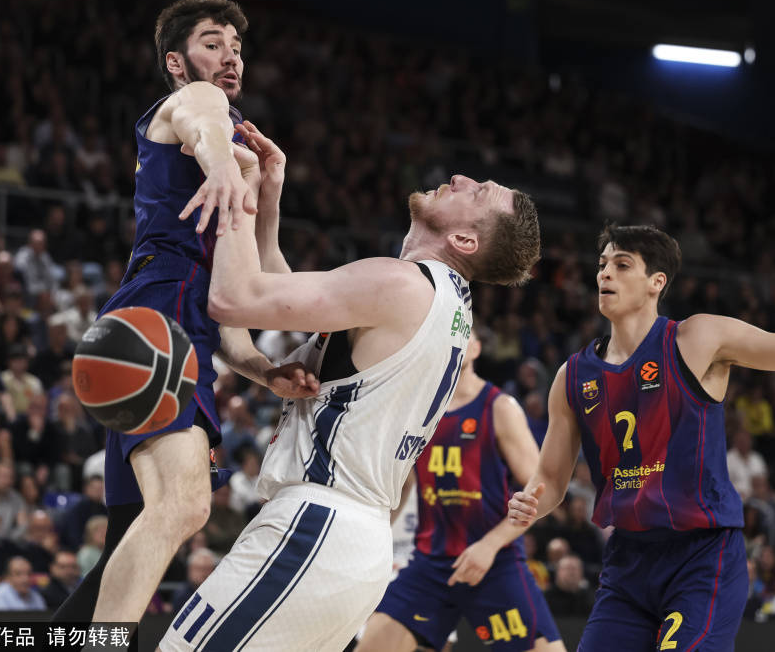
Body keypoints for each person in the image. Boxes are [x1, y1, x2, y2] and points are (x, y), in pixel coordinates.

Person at [159, 118, 539, 649]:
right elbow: (284, 293)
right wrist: (268, 200)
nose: (459, 177)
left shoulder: (401, 284)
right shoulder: (444, 301)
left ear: (463, 239)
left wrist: (237, 187)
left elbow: (234, 299)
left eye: (476, 192)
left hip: (319, 524)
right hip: (353, 543)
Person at [52, 0, 317, 628]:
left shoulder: (238, 145)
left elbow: (250, 287)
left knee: (133, 535)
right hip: (156, 318)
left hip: (177, 324)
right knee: (185, 504)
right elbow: (203, 124)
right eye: (212, 43)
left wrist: (263, 370)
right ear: (176, 61)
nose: (231, 57)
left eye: (237, 48)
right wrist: (223, 165)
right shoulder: (193, 103)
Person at [506, 224, 775, 651]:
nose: (605, 273)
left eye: (622, 265)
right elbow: (549, 479)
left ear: (656, 282)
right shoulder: (573, 375)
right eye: (602, 264)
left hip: (702, 555)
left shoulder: (697, 338)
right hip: (628, 561)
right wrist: (528, 501)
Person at [358, 335, 562, 652]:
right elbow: (402, 486)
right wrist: (368, 540)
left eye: (464, 335)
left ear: (477, 348)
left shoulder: (500, 407)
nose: (453, 340)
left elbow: (540, 491)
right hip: (430, 565)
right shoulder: (416, 412)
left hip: (495, 562)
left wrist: (490, 545)